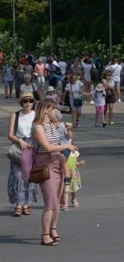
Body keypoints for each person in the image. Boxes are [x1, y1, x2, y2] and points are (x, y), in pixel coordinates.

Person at [31, 98, 78, 246]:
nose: (56, 111)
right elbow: (48, 147)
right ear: (45, 110)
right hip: (46, 164)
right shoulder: (38, 127)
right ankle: (45, 235)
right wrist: (66, 146)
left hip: (58, 163)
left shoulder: (52, 125)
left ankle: (53, 229)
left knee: (57, 201)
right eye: (53, 109)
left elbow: (58, 143)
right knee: (50, 202)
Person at [6, 93, 38, 217]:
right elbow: (10, 134)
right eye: (25, 101)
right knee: (18, 176)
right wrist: (20, 141)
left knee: (29, 176)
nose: (28, 103)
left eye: (30, 101)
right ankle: (18, 204)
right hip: (19, 146)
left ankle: (26, 204)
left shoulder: (36, 115)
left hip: (32, 145)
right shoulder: (15, 115)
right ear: (21, 103)